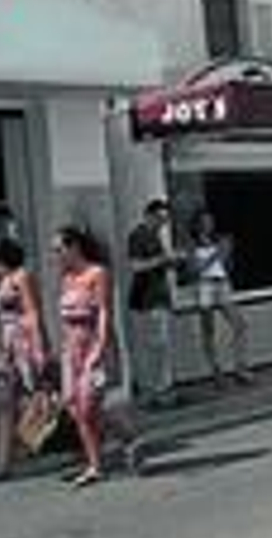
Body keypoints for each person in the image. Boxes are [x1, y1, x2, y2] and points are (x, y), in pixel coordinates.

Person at [54, 226, 140, 488]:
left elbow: (104, 312)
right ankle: (97, 463)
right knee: (74, 406)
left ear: (74, 247)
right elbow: (66, 319)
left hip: (94, 345)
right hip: (72, 350)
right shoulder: (66, 278)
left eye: (59, 249)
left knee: (90, 404)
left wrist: (99, 349)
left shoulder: (98, 273)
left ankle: (125, 440)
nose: (55, 255)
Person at [0, 237, 47, 481]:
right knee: (5, 403)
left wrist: (40, 349)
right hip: (7, 347)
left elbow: (33, 313)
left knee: (41, 399)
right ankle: (3, 464)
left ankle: (96, 433)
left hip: (24, 345)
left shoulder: (21, 277)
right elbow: (1, 319)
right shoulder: (4, 280)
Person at [188, 211, 253, 387]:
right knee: (209, 331)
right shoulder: (192, 244)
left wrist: (227, 253)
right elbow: (194, 270)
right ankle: (217, 372)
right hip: (205, 286)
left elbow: (225, 266)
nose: (209, 224)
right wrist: (215, 254)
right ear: (198, 224)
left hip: (222, 283)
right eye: (205, 221)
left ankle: (240, 368)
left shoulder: (216, 240)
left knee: (240, 324)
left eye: (211, 220)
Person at [127, 199, 177, 408]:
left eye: (165, 220)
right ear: (149, 215)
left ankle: (162, 390)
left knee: (161, 346)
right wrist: (164, 260)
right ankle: (154, 391)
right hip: (146, 300)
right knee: (153, 346)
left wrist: (169, 262)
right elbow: (136, 266)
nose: (162, 224)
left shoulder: (156, 236)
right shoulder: (138, 235)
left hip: (159, 298)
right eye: (160, 219)